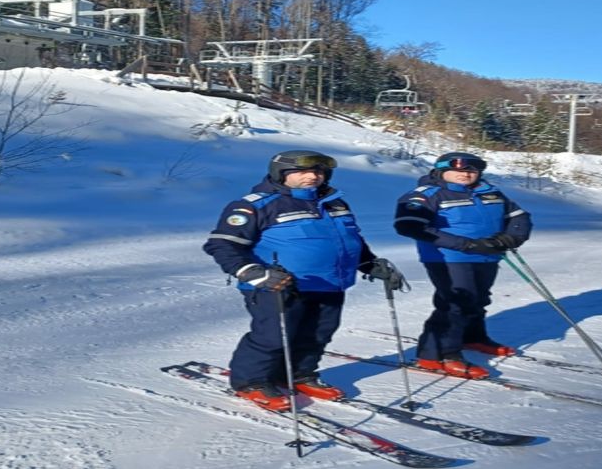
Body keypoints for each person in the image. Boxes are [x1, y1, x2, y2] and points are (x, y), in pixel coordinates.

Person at [204, 149, 404, 411]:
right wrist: (251, 272)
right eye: (303, 171)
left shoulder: (335, 203)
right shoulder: (255, 205)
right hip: (278, 285)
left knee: (319, 333)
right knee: (272, 336)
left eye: (319, 171)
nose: (312, 176)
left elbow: (349, 241)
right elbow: (222, 245)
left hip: (330, 282)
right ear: (282, 174)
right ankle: (251, 381)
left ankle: (299, 373)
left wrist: (369, 263)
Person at [393, 151, 532, 379]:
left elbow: (520, 217)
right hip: (448, 257)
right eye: (458, 170)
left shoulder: (490, 192)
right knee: (455, 303)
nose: (465, 174)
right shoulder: (428, 194)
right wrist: (465, 244)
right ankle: (438, 353)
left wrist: (510, 238)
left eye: (471, 170)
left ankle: (473, 337)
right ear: (441, 171)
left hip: (487, 255)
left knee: (479, 298)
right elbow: (409, 225)